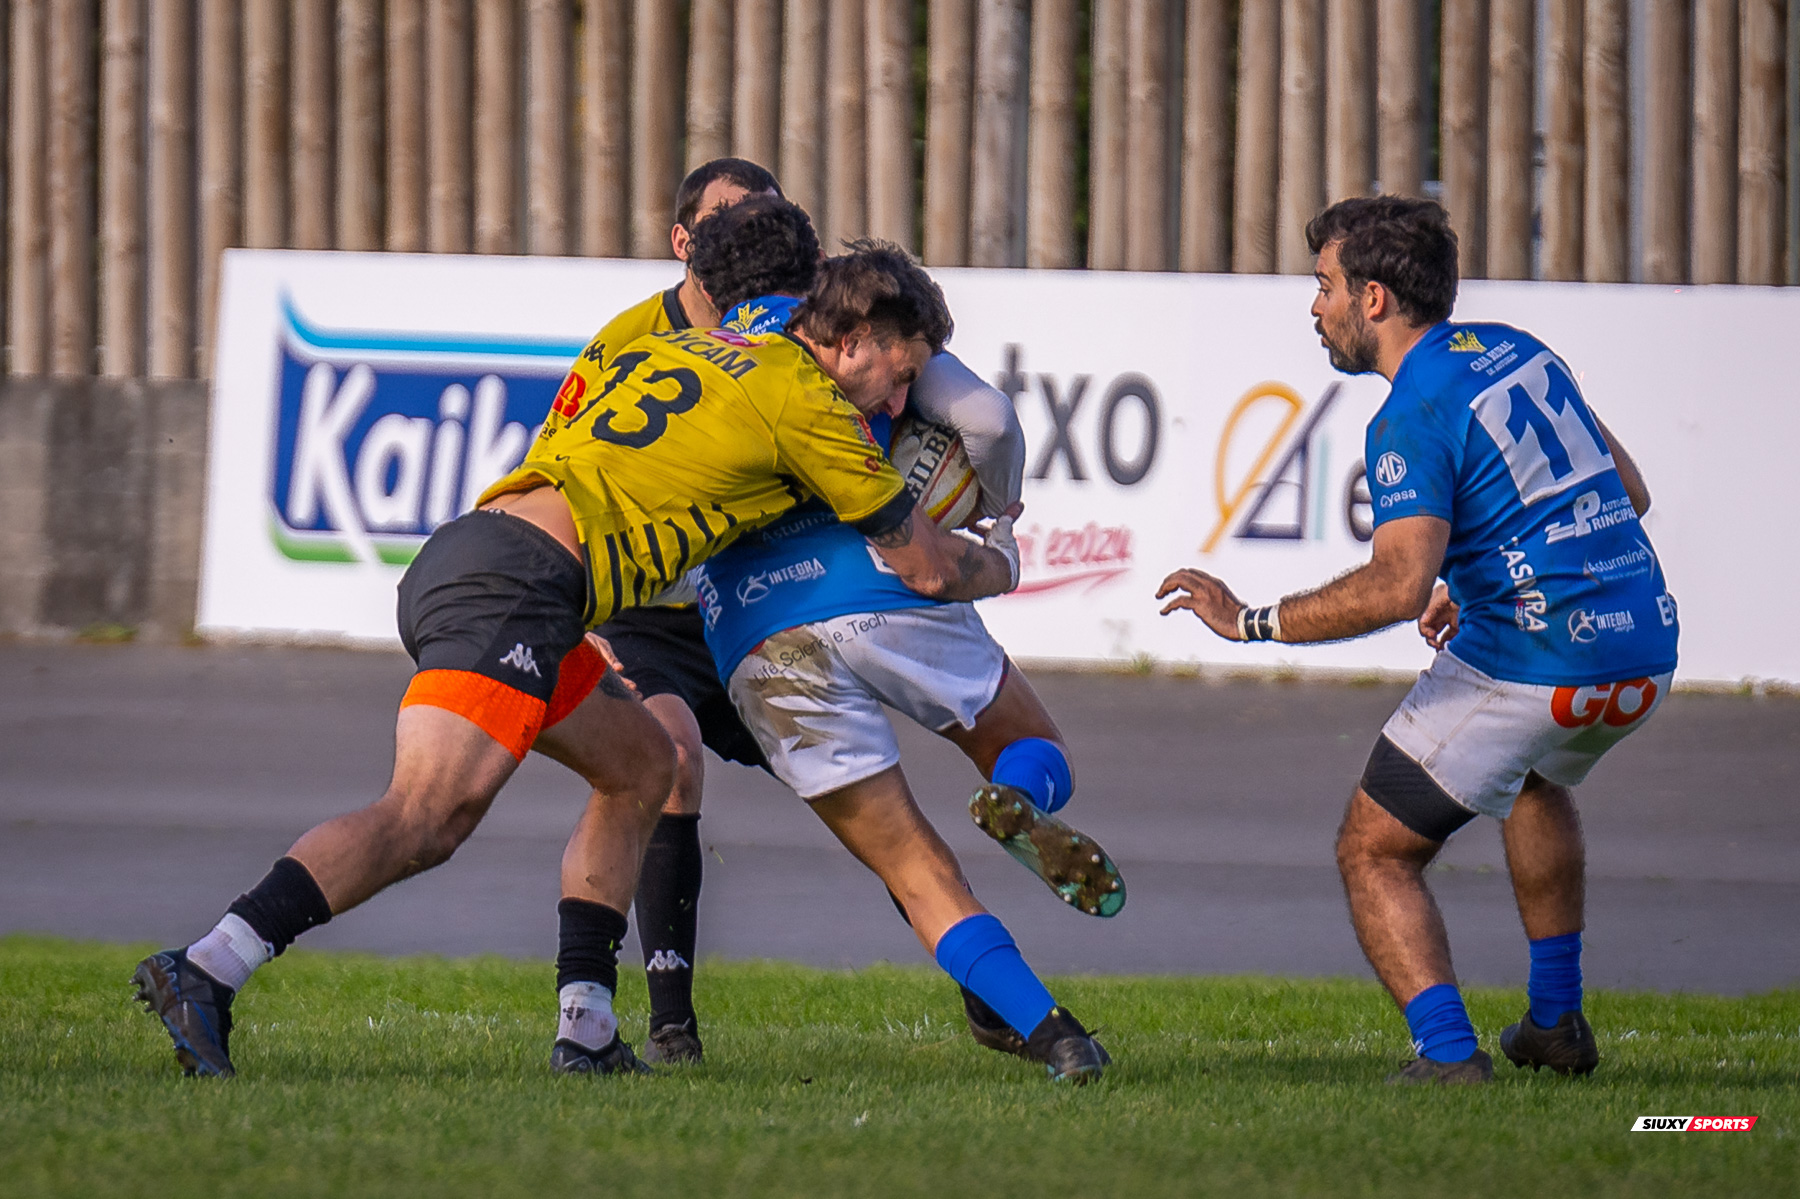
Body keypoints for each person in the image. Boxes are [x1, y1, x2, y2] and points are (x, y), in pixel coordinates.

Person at [133, 197, 1022, 1079]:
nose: (898, 396)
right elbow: (928, 562)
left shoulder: (668, 346)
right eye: (898, 374)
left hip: (502, 558)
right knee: (428, 815)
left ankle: (587, 1026)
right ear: (836, 323)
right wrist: (1004, 558)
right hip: (519, 583)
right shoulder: (798, 393)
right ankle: (209, 964)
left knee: (641, 764)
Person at [1156, 196, 1678, 1084]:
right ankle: (1556, 1021)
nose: (1314, 306)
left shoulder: (1409, 412)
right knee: (1534, 777)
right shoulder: (1519, 350)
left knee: (1373, 849)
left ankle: (1446, 1054)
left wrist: (1250, 620)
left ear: (1373, 299)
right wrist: (1472, 584)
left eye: (1324, 285)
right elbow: (1627, 491)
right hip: (1644, 648)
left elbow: (1395, 587)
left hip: (1536, 662)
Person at [691, 241, 1123, 1082]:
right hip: (879, 576)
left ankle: (1056, 1037)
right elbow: (988, 421)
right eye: (901, 376)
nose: (899, 395)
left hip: (751, 631)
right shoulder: (847, 316)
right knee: (1033, 745)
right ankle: (1018, 793)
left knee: (912, 867)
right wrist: (998, 520)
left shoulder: (692, 358)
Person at [571, 157, 786, 1064]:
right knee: (675, 757)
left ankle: (986, 988)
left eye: (760, 220)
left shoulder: (793, 335)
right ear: (682, 240)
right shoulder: (624, 342)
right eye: (724, 220)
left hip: (753, 603)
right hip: (643, 618)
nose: (742, 237)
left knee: (856, 780)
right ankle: (670, 1024)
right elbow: (562, 470)